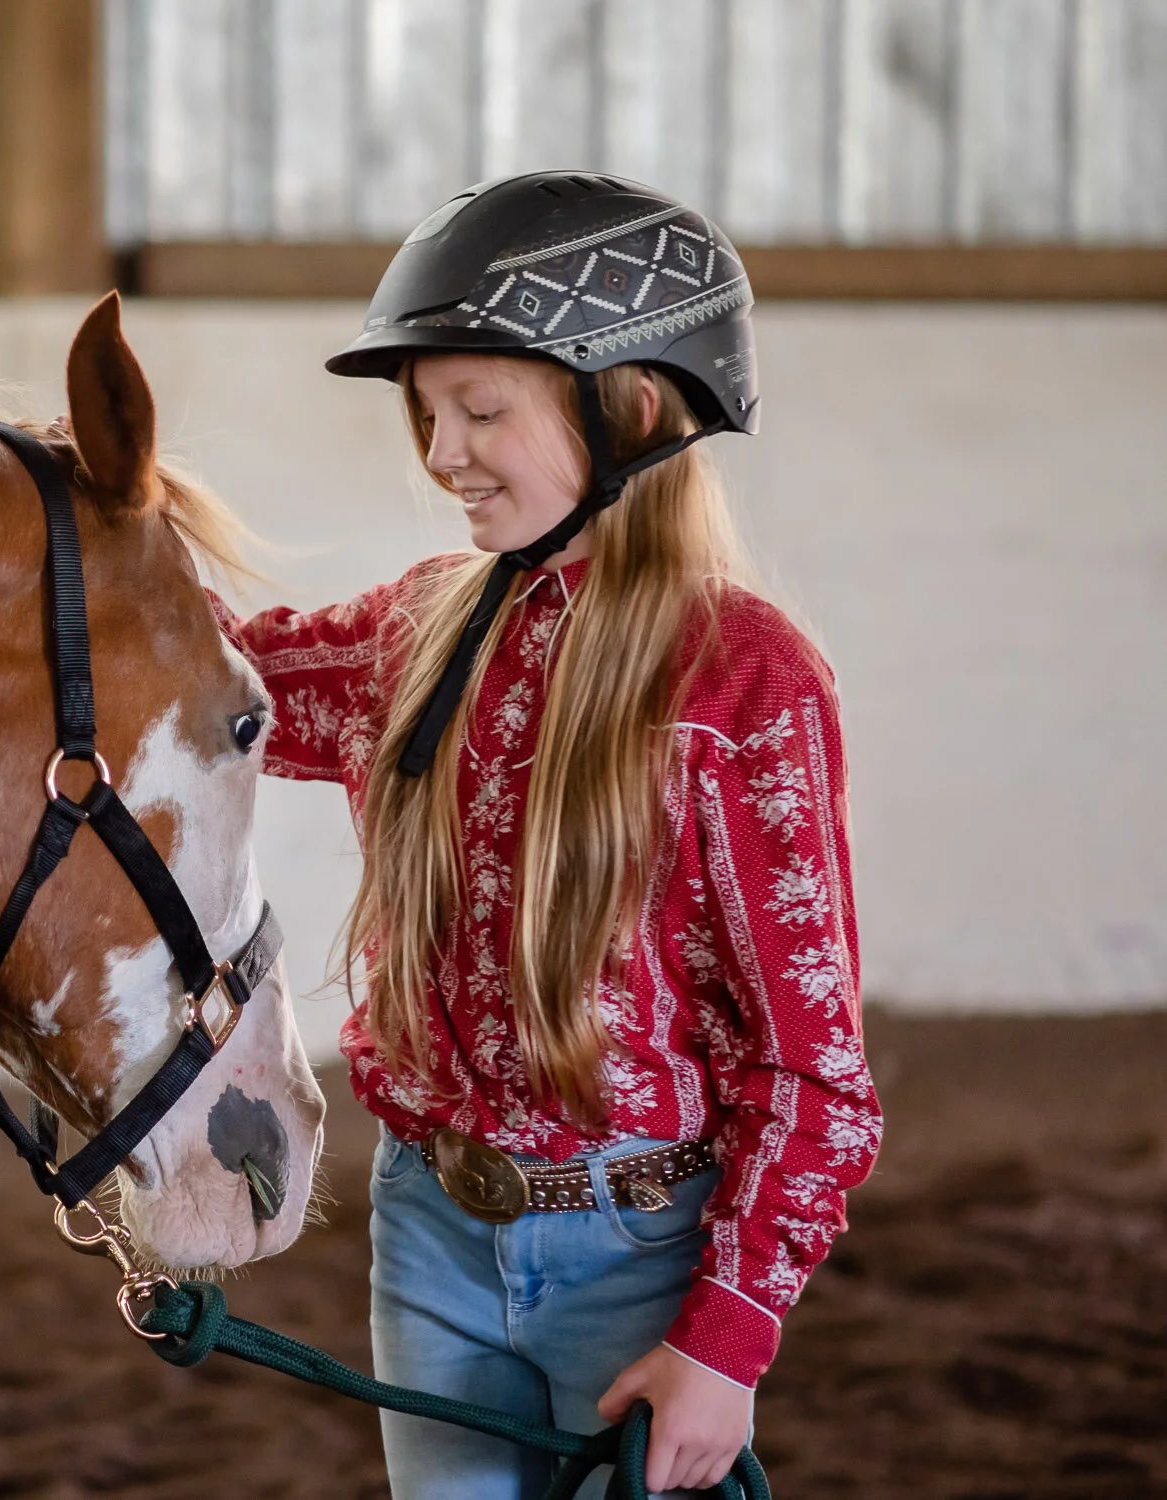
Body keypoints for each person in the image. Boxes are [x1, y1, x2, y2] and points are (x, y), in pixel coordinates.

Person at [211, 173, 881, 1497]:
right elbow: (204, 693)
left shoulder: (744, 683)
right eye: (425, 416)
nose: (443, 452)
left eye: (479, 410)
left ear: (631, 405)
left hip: (639, 1254)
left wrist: (728, 1344)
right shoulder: (416, 627)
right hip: (427, 1229)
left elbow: (813, 1069)